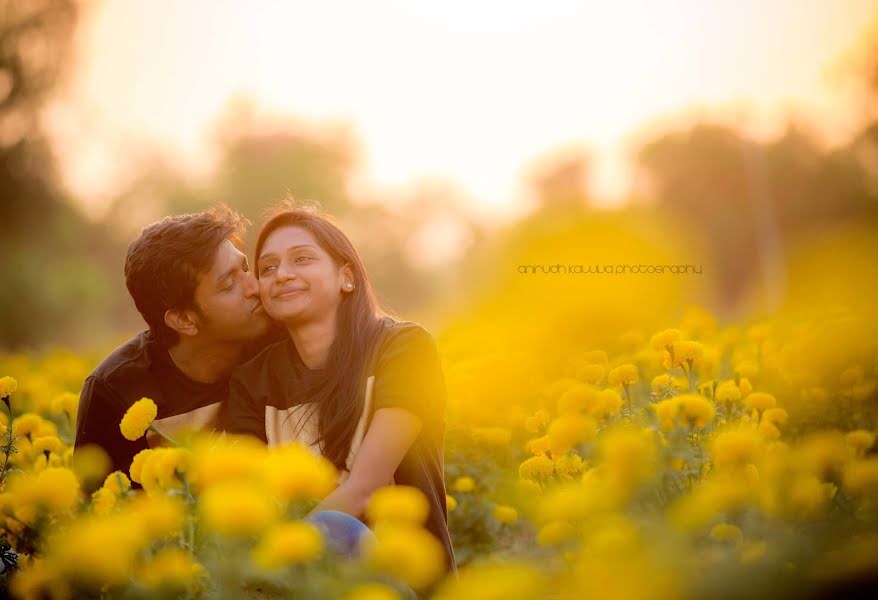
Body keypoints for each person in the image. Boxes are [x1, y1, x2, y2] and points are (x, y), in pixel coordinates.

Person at [223, 203, 457, 580]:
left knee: (338, 529)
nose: (282, 274)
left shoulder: (404, 348)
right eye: (267, 268)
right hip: (298, 583)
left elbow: (365, 488)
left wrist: (280, 554)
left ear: (346, 277)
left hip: (400, 582)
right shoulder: (252, 381)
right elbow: (251, 502)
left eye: (302, 259)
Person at [75, 206, 277, 476]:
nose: (255, 287)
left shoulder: (279, 342)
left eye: (246, 269)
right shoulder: (112, 390)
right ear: (184, 320)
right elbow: (99, 507)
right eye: (229, 284)